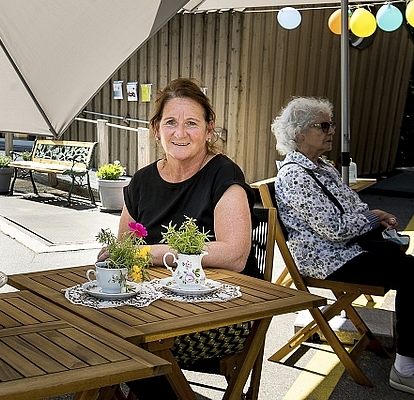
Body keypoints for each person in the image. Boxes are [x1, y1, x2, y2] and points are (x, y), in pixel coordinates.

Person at [97, 78, 254, 399]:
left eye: (192, 123)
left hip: (218, 315)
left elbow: (234, 255)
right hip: (148, 309)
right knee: (89, 330)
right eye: (171, 122)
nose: (180, 133)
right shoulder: (142, 181)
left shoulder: (224, 176)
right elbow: (124, 250)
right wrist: (114, 255)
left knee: (128, 343)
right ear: (156, 129)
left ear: (210, 130)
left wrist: (150, 253)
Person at [271, 96, 414, 395]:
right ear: (298, 133)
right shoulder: (295, 174)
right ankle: (405, 367)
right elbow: (335, 229)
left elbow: (353, 207)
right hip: (329, 259)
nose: (332, 131)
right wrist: (374, 217)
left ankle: (407, 358)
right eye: (324, 125)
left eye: (331, 124)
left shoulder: (321, 167)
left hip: (349, 249)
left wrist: (378, 216)